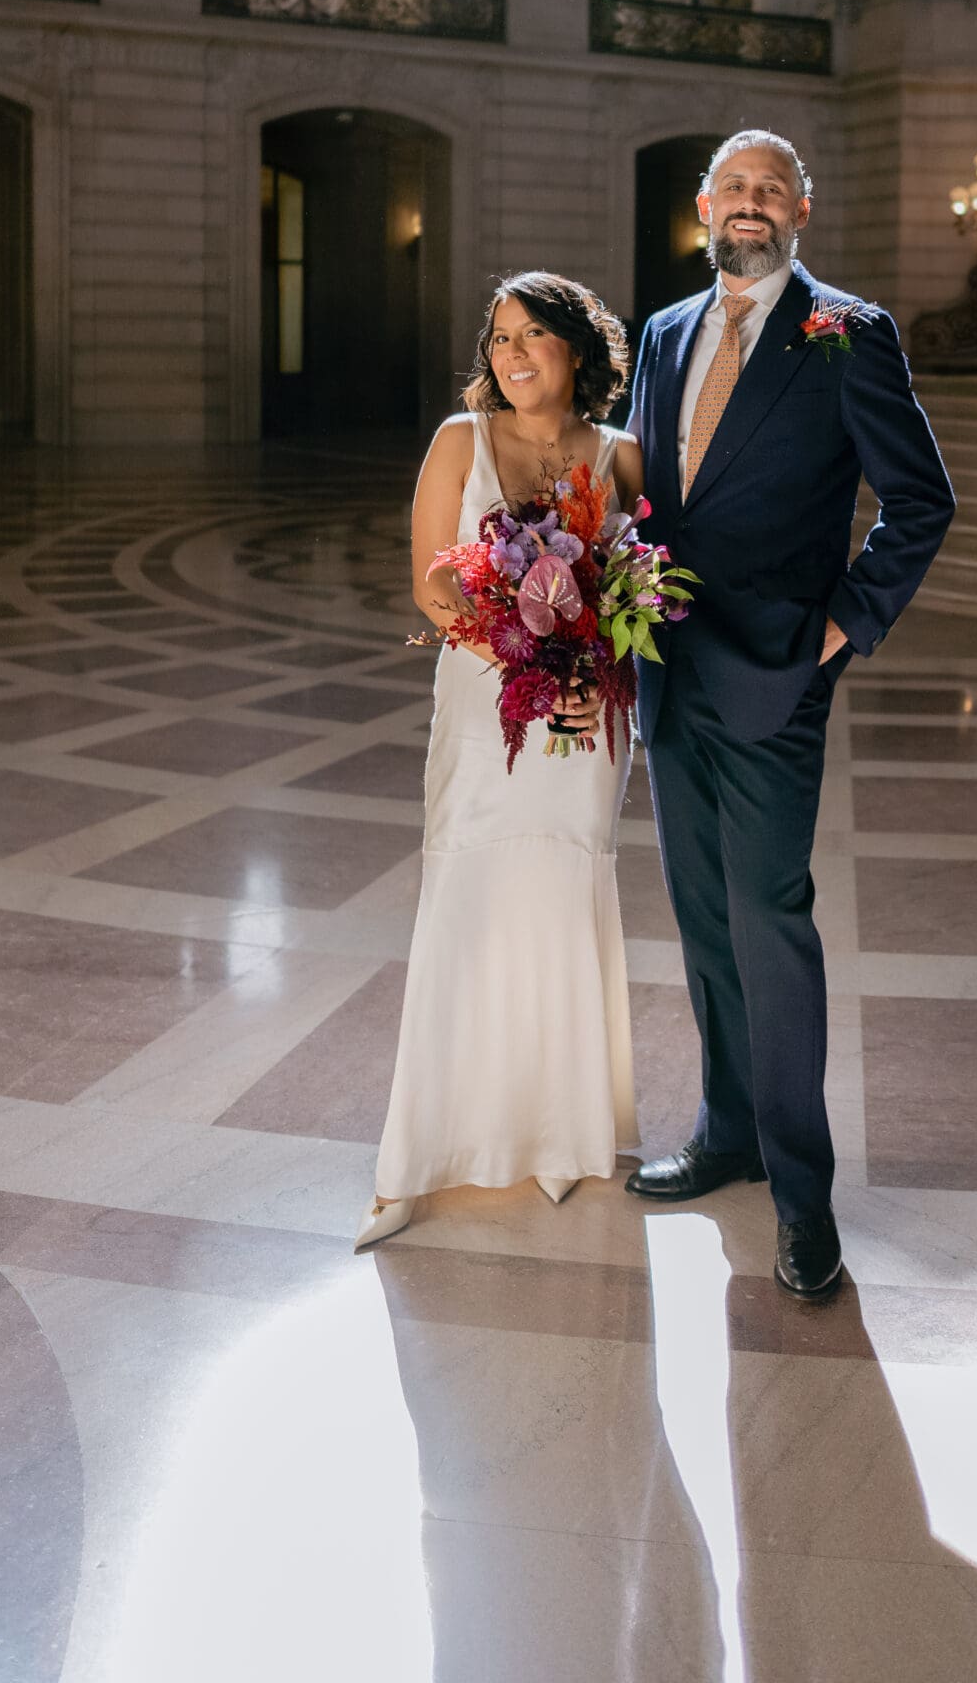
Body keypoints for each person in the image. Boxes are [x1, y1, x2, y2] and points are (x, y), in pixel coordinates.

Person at [625, 130, 955, 1299]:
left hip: (774, 674)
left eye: (774, 188)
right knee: (703, 919)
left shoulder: (846, 333)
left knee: (771, 922)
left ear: (801, 208)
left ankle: (805, 1201)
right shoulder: (663, 332)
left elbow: (921, 499)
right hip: (668, 668)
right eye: (736, 188)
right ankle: (726, 1134)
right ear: (704, 205)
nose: (752, 205)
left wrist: (845, 624)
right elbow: (651, 495)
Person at [354, 273, 645, 1249]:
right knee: (473, 901)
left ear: (578, 351)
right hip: (491, 708)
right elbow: (434, 588)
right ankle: (429, 1154)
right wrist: (535, 655)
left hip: (582, 723)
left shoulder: (618, 457)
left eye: (536, 336)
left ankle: (562, 1140)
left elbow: (634, 582)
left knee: (562, 898)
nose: (514, 354)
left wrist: (592, 660)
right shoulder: (457, 440)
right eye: (501, 337)